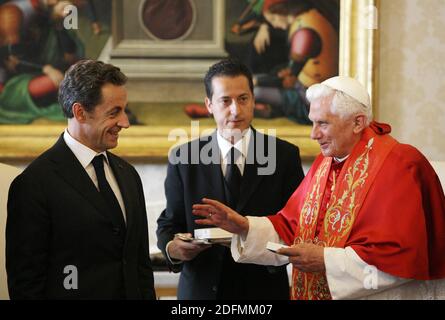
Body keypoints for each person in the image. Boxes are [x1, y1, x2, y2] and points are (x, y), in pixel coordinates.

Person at [193, 75, 445, 300]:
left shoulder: (401, 164)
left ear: (357, 123)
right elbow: (291, 228)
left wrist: (326, 260)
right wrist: (245, 226)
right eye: (312, 122)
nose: (314, 134)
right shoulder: (325, 163)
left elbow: (402, 258)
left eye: (322, 123)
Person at [6, 60, 156, 300]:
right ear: (80, 112)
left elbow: (140, 267)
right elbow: (26, 284)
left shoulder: (128, 174)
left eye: (124, 110)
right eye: (114, 112)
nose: (125, 122)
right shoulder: (34, 184)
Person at [156, 58, 305, 300]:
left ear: (254, 101)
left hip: (262, 291)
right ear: (209, 105)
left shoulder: (284, 156)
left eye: (243, 99)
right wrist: (174, 249)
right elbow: (169, 225)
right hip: (201, 292)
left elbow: (297, 227)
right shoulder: (183, 158)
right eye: (225, 100)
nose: (235, 110)